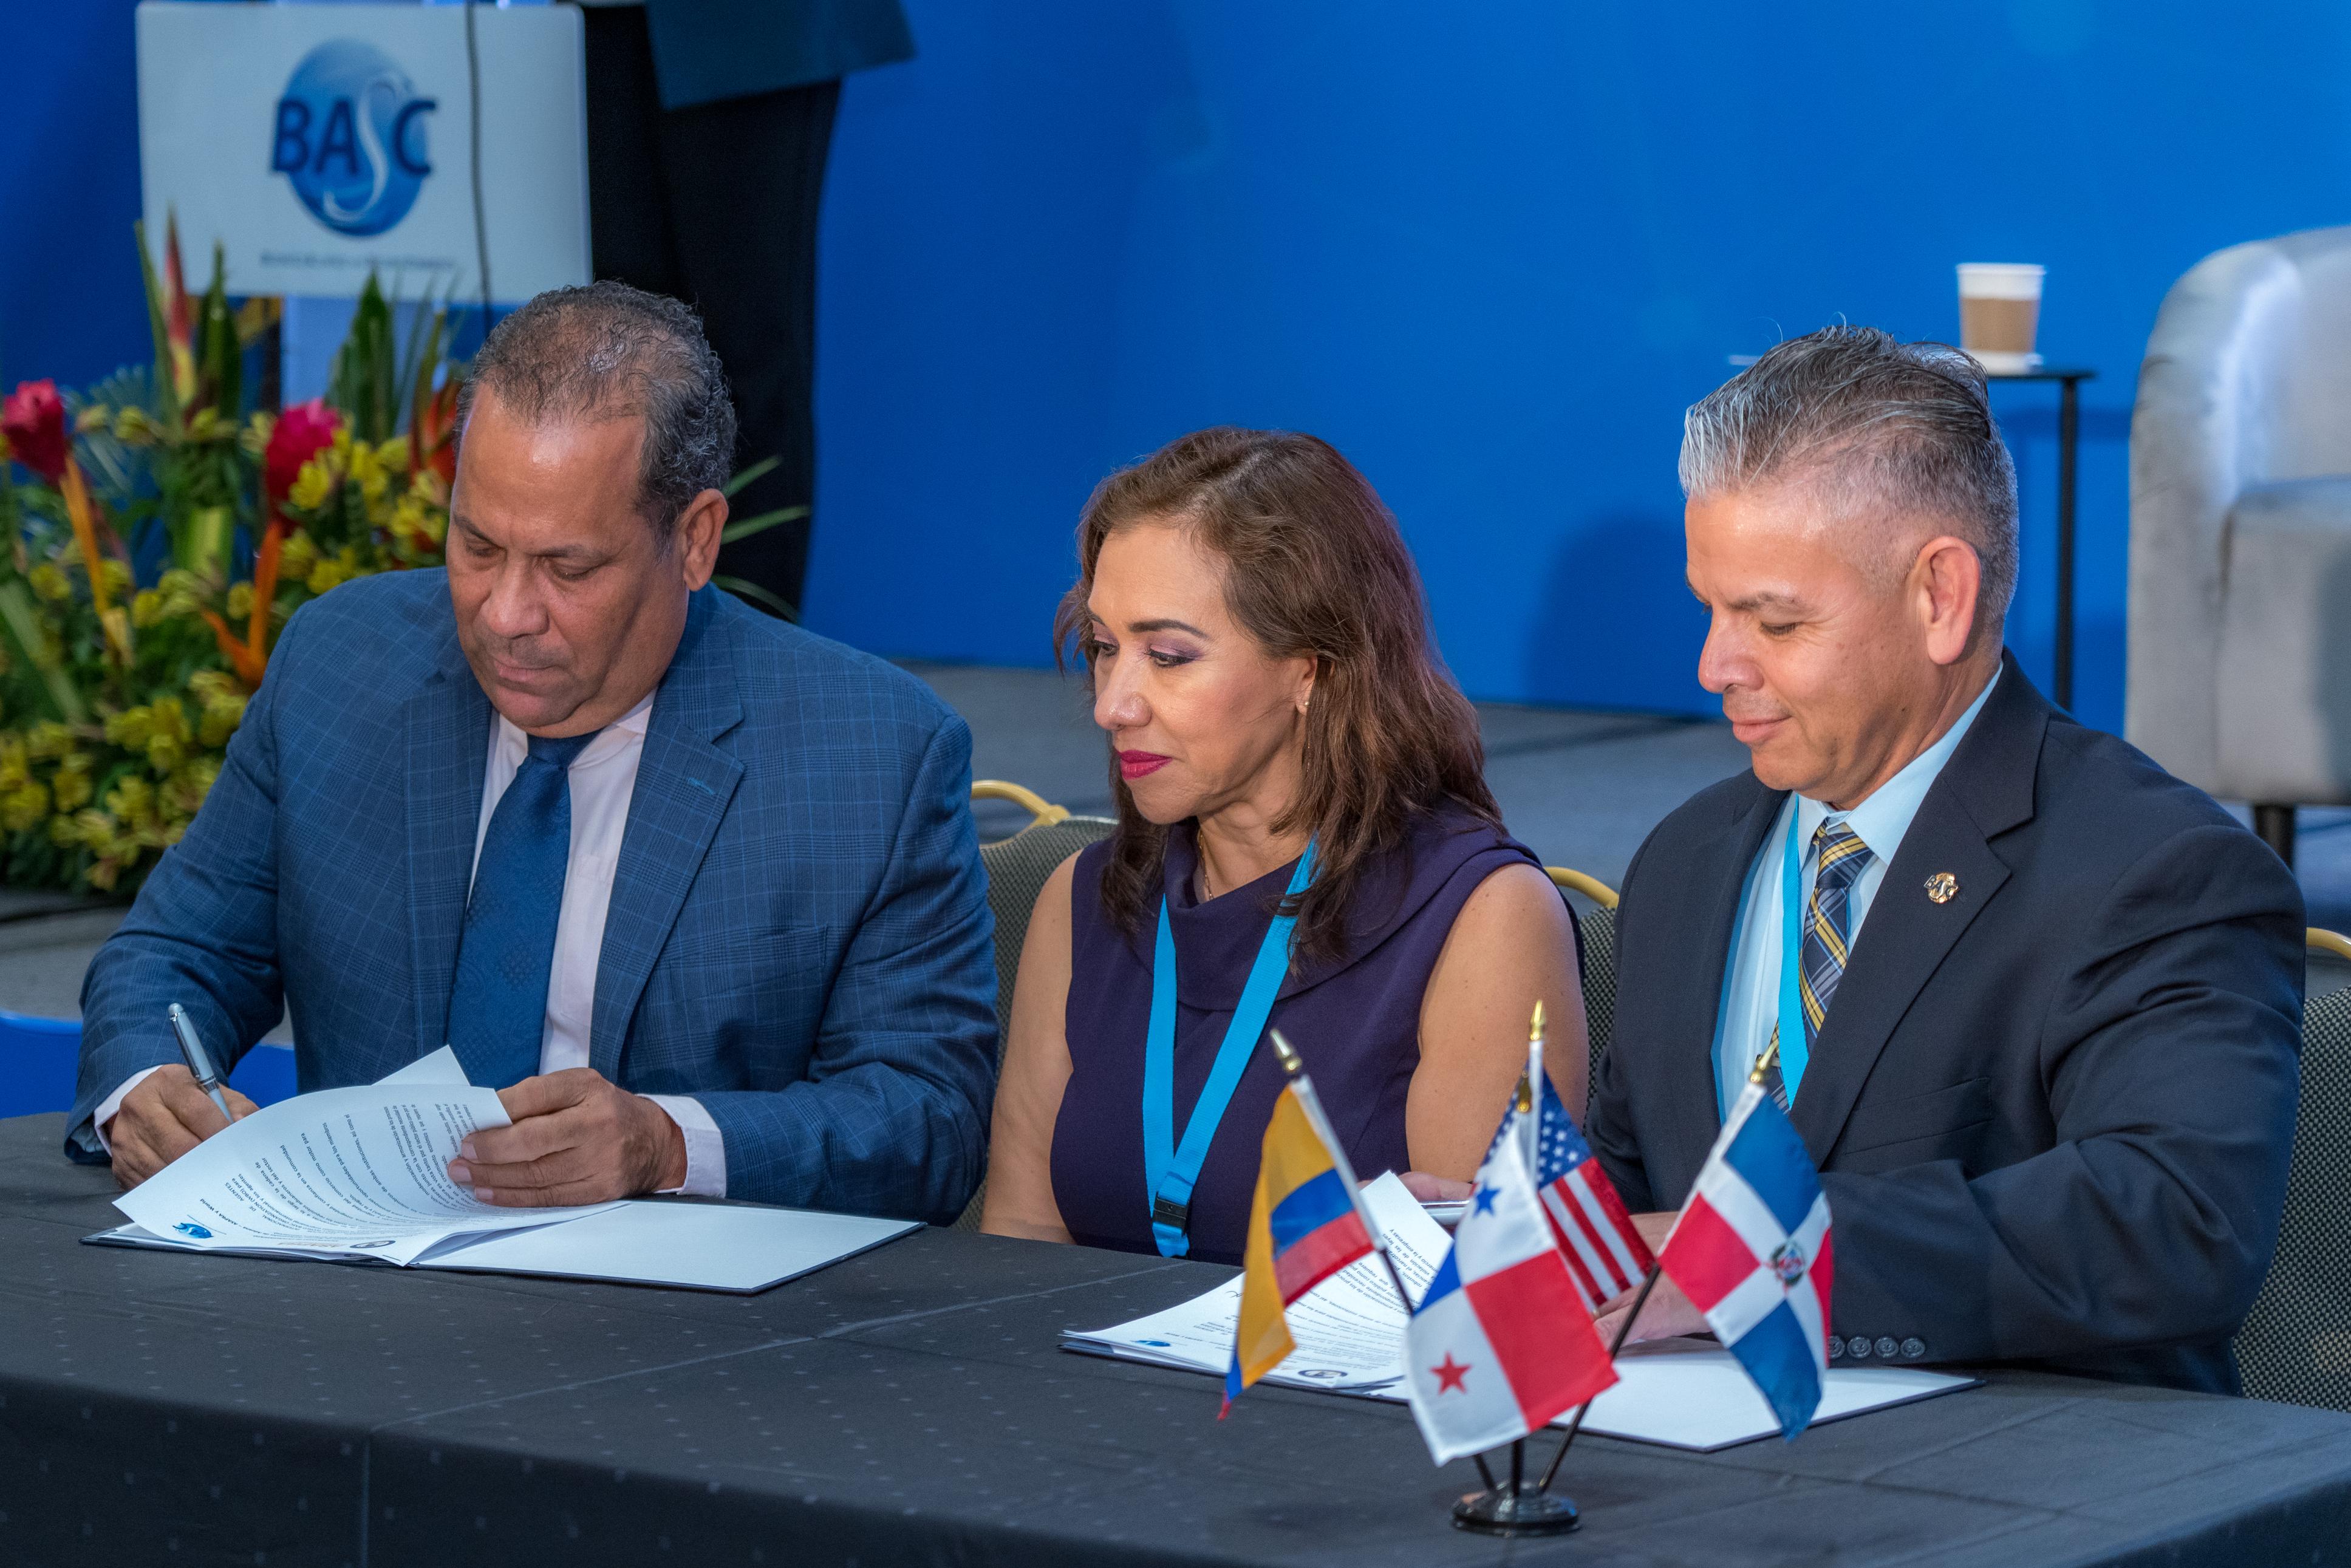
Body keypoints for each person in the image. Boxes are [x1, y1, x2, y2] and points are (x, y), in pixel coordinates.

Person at [71, 281, 997, 1224]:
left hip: (674, 1299)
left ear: (694, 540)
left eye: (567, 567)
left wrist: (666, 1144)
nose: (506, 613)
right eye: (476, 546)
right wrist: (146, 1083)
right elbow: (173, 954)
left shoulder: (869, 754)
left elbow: (928, 1116)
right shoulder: (339, 666)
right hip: (362, 1287)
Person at [1586, 326, 2303, 1394]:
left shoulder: (2160, 872)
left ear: (1939, 597)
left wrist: (1760, 1255)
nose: (1713, 665)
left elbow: (2174, 1224)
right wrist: (1495, 1229)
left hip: (2022, 1473)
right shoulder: (1684, 859)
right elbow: (1633, 1196)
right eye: (1710, 609)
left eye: (1772, 622)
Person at [982, 427, 1585, 1265]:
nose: (1113, 704)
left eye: (1168, 656)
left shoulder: (1481, 919)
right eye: (1104, 648)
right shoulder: (1081, 900)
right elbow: (1016, 1250)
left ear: (1311, 669)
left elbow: (1479, 1303)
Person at [581, 0, 916, 618]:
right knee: (622, 352)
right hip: (602, 22)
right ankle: (634, 627)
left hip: (750, 29)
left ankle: (753, 640)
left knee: (744, 356)